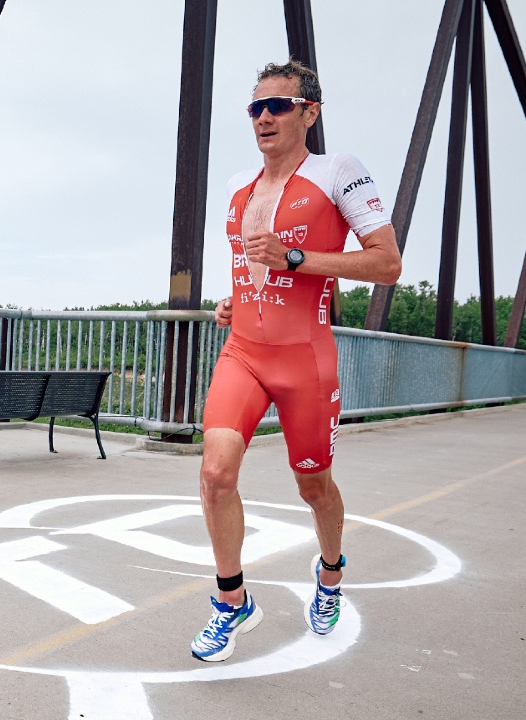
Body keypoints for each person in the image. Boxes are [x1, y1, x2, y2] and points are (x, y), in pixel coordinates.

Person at [189, 60, 402, 662]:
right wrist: (234, 300)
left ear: (309, 112)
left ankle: (330, 570)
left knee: (313, 485)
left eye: (278, 105)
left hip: (305, 360)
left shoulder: (339, 172)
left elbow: (387, 263)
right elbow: (253, 267)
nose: (264, 117)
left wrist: (298, 259)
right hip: (244, 354)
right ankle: (232, 603)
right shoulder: (236, 184)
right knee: (215, 473)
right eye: (255, 108)